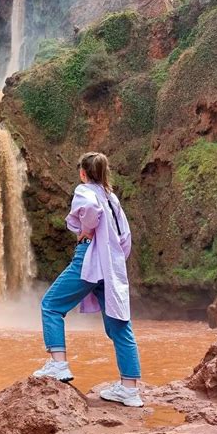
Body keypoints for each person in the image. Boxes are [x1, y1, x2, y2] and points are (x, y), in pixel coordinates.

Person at [33, 152, 143, 407]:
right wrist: (112, 257)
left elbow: (91, 212)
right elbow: (125, 237)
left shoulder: (85, 191)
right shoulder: (112, 198)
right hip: (112, 264)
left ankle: (58, 364)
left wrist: (87, 231)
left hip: (90, 256)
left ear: (83, 172)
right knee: (119, 326)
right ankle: (129, 389)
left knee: (51, 305)